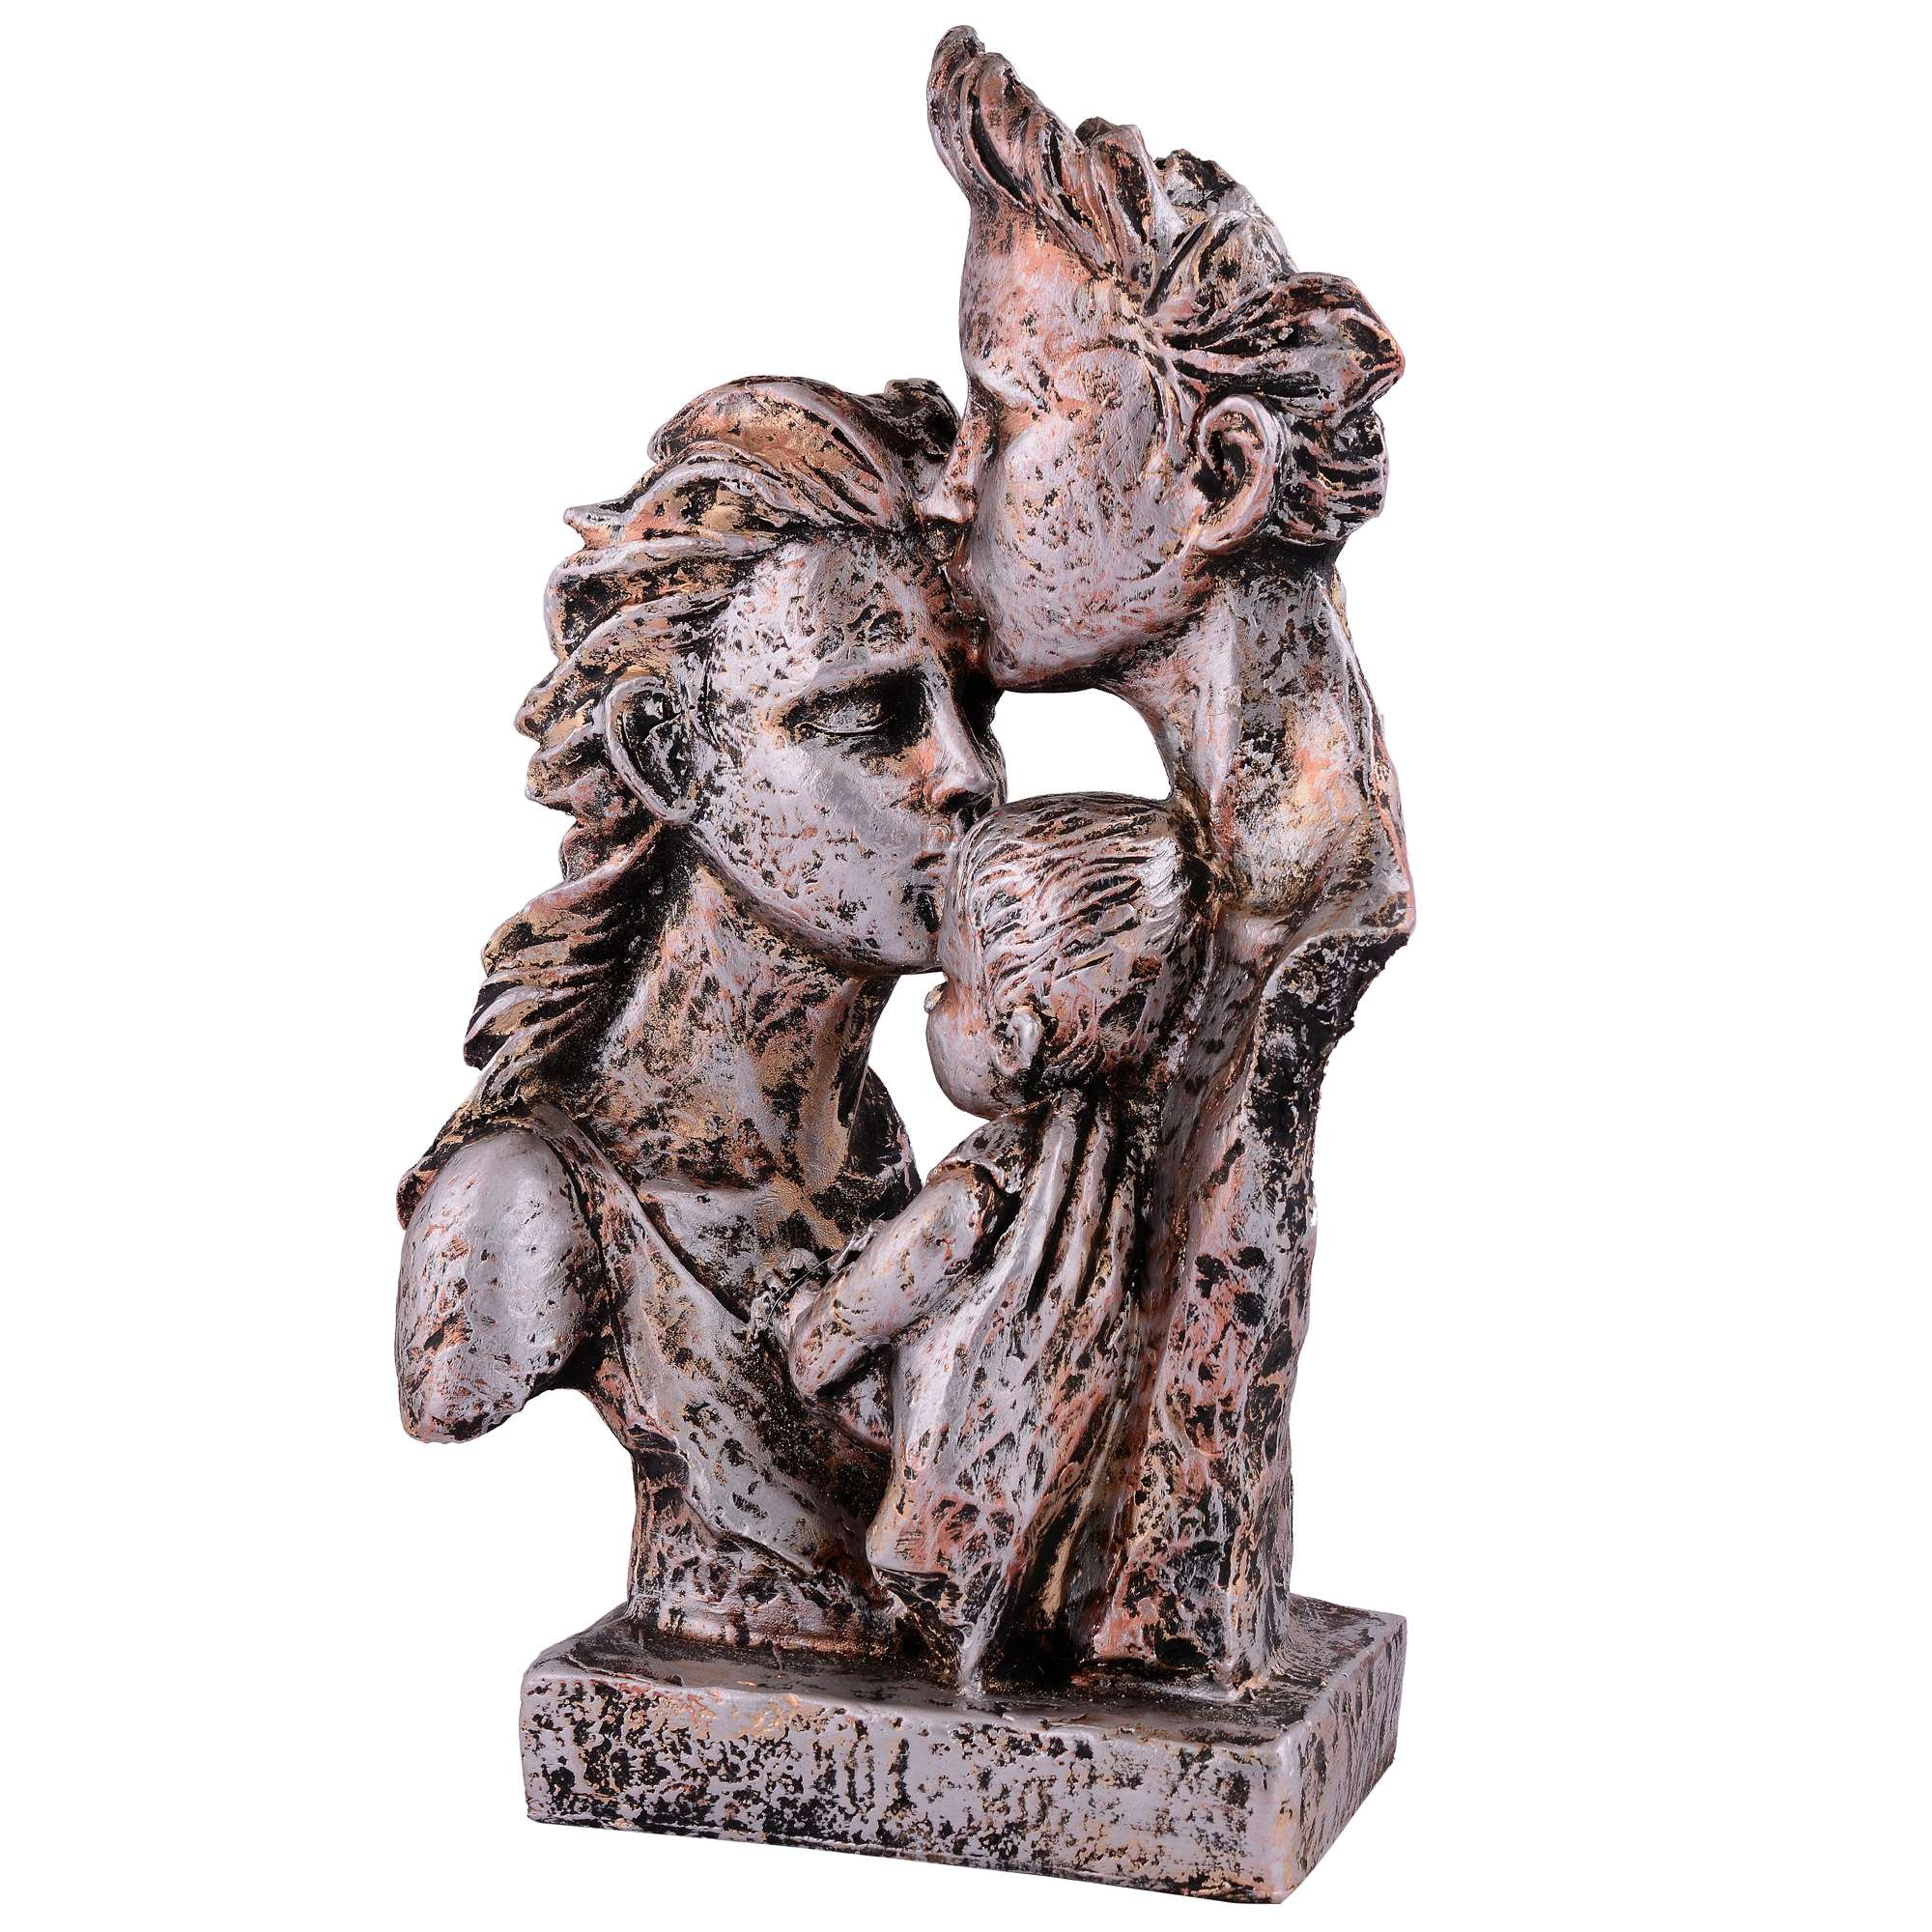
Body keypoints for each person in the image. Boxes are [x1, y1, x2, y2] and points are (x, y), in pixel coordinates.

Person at [923, 30, 1412, 1690]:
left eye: (1007, 412)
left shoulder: (1276, 917)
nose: (956, 484)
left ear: (1217, 478)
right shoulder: (1215, 866)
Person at [395, 375, 1002, 1658]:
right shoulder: (525, 1207)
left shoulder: (876, 1145)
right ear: (671, 752)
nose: (968, 774)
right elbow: (455, 1380)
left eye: (974, 706)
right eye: (874, 716)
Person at [769, 794, 1211, 1689]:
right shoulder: (1122, 1179)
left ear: (1019, 1037)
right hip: (1042, 1516)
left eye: (950, 989)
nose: (930, 1007)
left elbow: (872, 1302)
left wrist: (807, 1329)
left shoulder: (988, 1184)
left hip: (945, 1517)